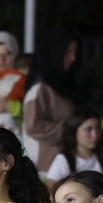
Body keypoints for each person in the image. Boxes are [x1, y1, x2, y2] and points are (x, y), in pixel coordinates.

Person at [22, 30, 78, 172]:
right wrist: (72, 130)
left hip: (59, 164)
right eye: (67, 53)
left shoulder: (61, 86)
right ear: (55, 53)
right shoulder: (40, 89)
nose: (73, 58)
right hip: (42, 167)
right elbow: (33, 126)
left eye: (75, 52)